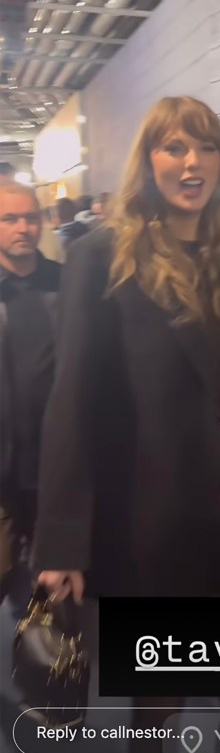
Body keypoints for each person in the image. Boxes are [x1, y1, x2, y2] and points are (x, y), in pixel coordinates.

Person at [33, 97, 220, 753]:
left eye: (205, 147)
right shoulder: (101, 257)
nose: (191, 162)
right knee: (159, 710)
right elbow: (71, 400)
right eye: (174, 147)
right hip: (151, 525)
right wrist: (60, 541)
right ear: (148, 162)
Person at [0, 183, 61, 604]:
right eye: (10, 219)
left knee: (56, 591)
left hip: (56, 468)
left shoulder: (68, 283)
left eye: (30, 217)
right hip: (2, 474)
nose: (23, 227)